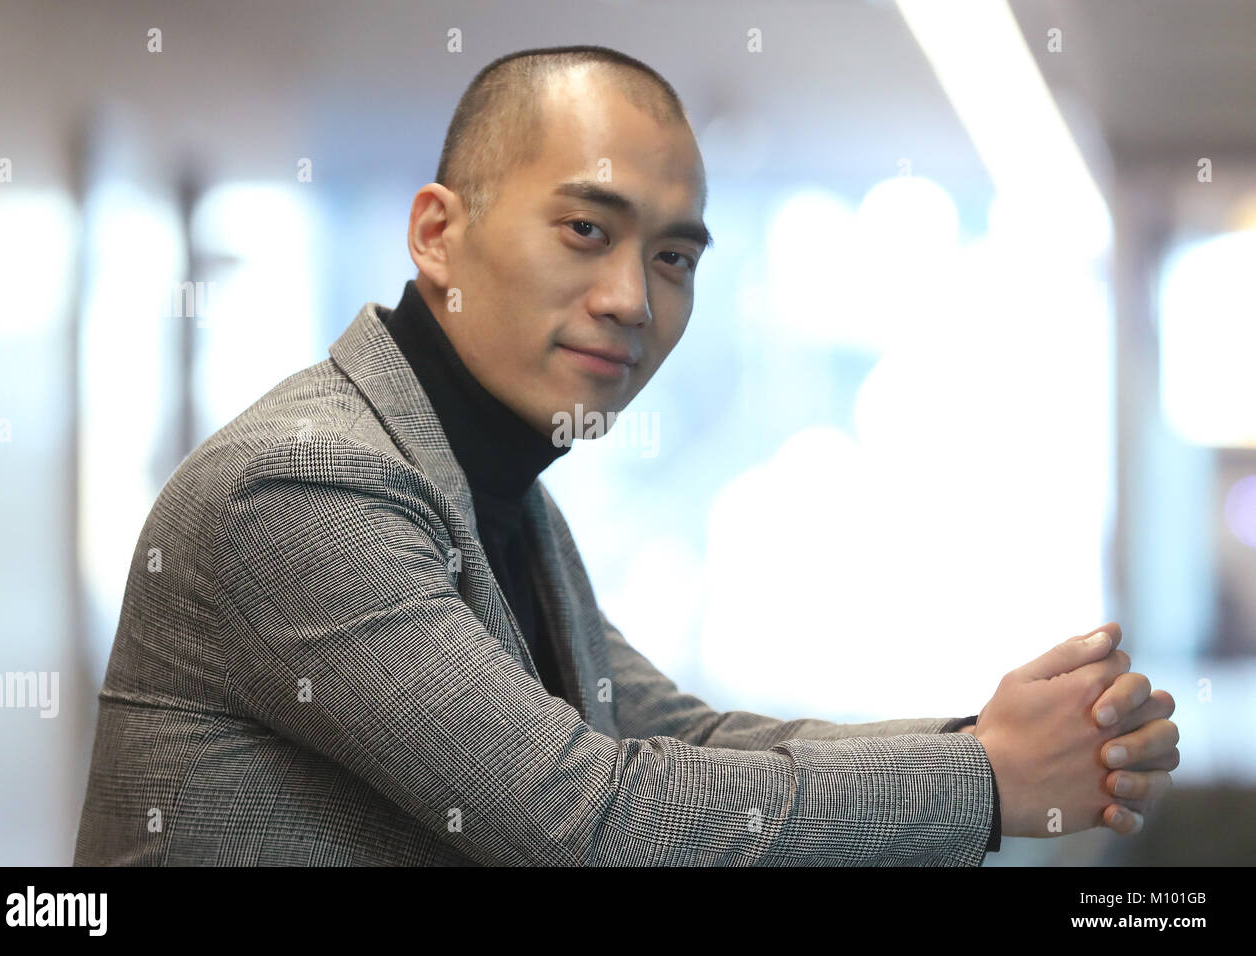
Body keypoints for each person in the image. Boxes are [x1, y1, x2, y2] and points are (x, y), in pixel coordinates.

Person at [73, 45, 1179, 866]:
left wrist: (992, 741)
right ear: (435, 232)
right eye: (586, 230)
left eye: (675, 257)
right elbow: (586, 816)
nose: (632, 301)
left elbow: (671, 731)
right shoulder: (307, 483)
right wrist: (983, 779)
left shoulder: (487, 488)